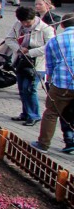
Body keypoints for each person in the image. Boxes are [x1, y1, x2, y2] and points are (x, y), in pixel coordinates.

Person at [4, 6, 54, 127]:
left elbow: (49, 46)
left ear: (34, 18)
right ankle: (26, 113)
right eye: (23, 22)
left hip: (37, 64)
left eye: (28, 22)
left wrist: (30, 52)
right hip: (22, 61)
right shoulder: (18, 24)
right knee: (22, 89)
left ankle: (34, 115)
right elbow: (9, 39)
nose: (25, 24)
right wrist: (19, 49)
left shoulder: (46, 29)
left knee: (30, 89)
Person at [34, 13, 74, 153]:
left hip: (62, 83)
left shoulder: (56, 40)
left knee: (51, 113)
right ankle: (70, 142)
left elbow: (49, 65)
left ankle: (43, 144)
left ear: (62, 25)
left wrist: (48, 81)